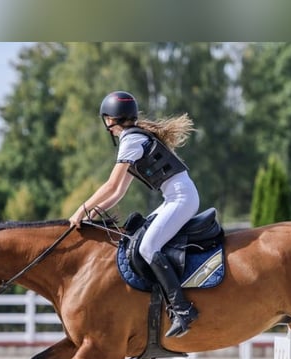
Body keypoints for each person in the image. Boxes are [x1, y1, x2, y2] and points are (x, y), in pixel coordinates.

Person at [69, 90, 200, 338]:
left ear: (109, 120)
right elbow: (118, 192)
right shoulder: (134, 139)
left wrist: (80, 210)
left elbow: (109, 186)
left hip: (181, 198)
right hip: (176, 196)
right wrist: (92, 214)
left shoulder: (130, 141)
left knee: (148, 248)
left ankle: (182, 309)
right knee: (139, 239)